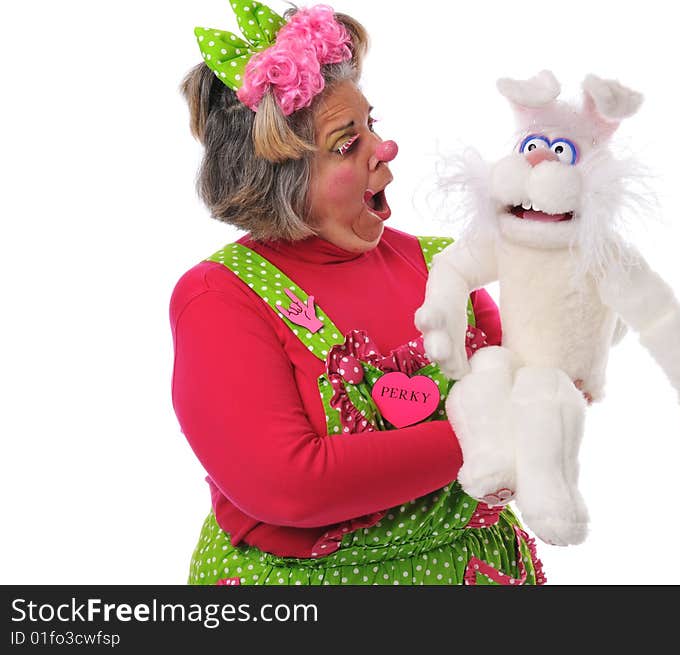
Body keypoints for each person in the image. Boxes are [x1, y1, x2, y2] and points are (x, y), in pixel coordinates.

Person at [170, 1, 545, 585]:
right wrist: (491, 434)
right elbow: (291, 484)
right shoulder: (219, 296)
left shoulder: (441, 268)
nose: (386, 149)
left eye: (373, 124)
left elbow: (537, 383)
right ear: (281, 182)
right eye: (347, 143)